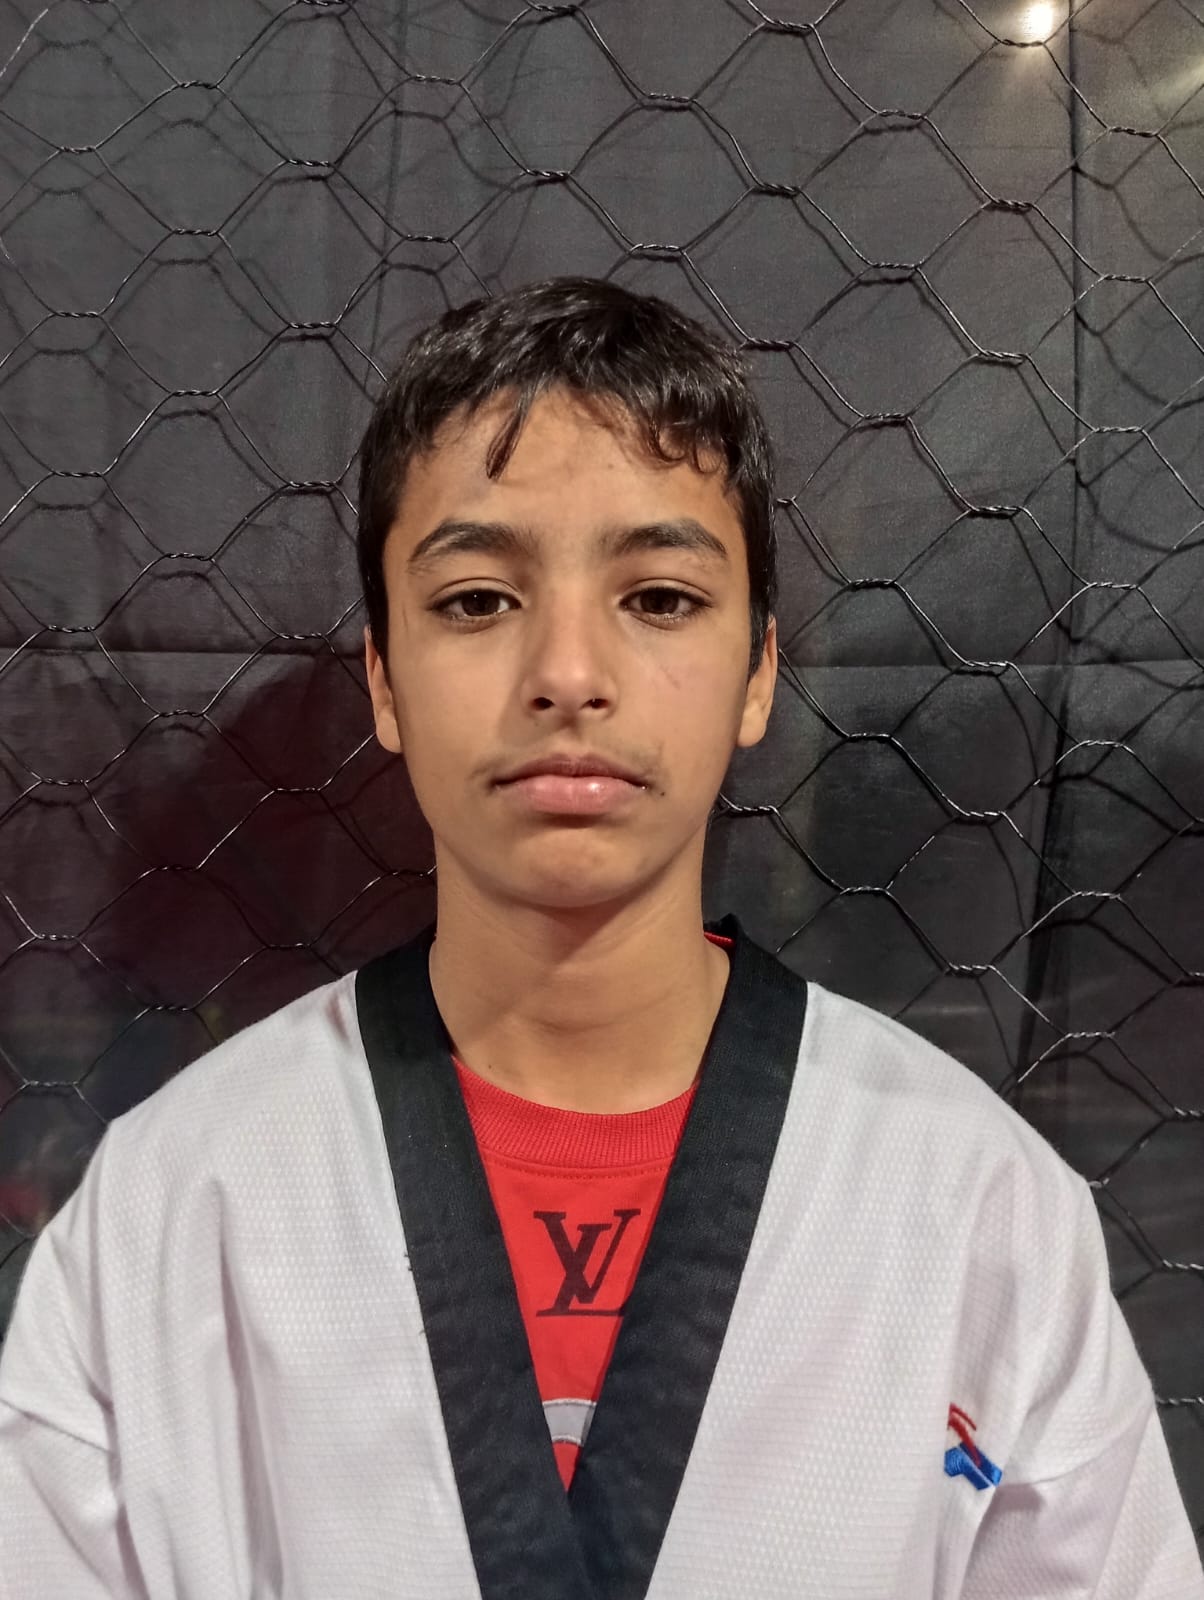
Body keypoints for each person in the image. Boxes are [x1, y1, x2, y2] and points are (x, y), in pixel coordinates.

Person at [0, 278, 1199, 1600]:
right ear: (384, 677)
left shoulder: (975, 1209)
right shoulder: (174, 1210)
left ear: (758, 671)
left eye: (661, 597)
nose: (568, 674)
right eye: (476, 600)